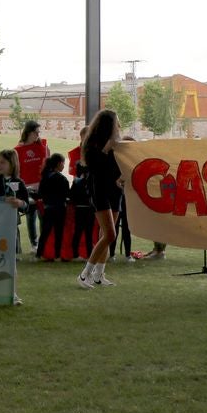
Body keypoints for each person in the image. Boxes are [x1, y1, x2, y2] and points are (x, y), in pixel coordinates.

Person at [76, 110, 124, 289]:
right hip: (100, 191)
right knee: (109, 234)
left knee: (107, 235)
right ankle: (84, 274)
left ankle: (98, 275)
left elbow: (118, 168)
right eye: (115, 122)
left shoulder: (118, 144)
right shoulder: (93, 144)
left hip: (115, 191)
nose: (118, 125)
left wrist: (121, 178)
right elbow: (95, 167)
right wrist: (106, 148)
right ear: (107, 124)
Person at [0, 148, 28, 306]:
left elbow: (27, 205)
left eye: (3, 162)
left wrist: (19, 203)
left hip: (11, 229)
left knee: (11, 262)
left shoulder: (19, 183)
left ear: (12, 163)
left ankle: (12, 294)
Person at [16, 120, 48, 254]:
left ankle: (43, 243)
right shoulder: (17, 150)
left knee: (43, 215)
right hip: (26, 187)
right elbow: (17, 171)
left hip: (41, 187)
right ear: (29, 132)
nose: (38, 135)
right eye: (36, 132)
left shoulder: (42, 147)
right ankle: (34, 244)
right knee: (30, 215)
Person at [68, 128, 95, 262]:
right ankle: (76, 254)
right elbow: (75, 179)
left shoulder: (95, 154)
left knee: (88, 231)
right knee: (79, 230)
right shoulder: (77, 158)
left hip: (89, 202)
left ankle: (89, 254)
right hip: (82, 202)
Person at [37, 153, 69, 263]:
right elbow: (67, 195)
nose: (63, 166)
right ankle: (57, 255)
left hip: (48, 208)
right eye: (63, 163)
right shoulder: (62, 179)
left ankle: (39, 253)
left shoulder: (45, 176)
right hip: (60, 208)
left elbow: (40, 193)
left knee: (45, 232)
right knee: (58, 232)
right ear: (59, 163)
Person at [110, 136, 137, 263]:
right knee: (114, 225)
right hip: (117, 196)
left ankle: (127, 254)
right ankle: (111, 254)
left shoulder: (132, 161)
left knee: (127, 226)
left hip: (128, 198)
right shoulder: (117, 160)